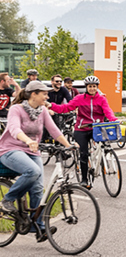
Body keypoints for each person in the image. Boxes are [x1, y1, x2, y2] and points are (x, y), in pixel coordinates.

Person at [0, 81, 72, 242]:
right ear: (34, 94)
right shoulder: (16, 109)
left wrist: (70, 145)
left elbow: (54, 130)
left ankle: (36, 225)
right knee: (33, 171)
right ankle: (7, 200)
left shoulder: (42, 111)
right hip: (10, 149)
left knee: (38, 188)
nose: (47, 97)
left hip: (32, 151)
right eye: (44, 94)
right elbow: (14, 129)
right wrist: (28, 141)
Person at [49, 75, 118, 188]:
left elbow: (108, 112)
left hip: (97, 128)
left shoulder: (101, 99)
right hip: (81, 129)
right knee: (84, 154)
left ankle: (101, 157)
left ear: (97, 87)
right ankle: (84, 179)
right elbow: (66, 108)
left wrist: (114, 120)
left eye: (94, 86)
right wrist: (51, 106)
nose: (92, 89)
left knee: (105, 143)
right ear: (86, 87)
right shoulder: (79, 98)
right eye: (90, 86)